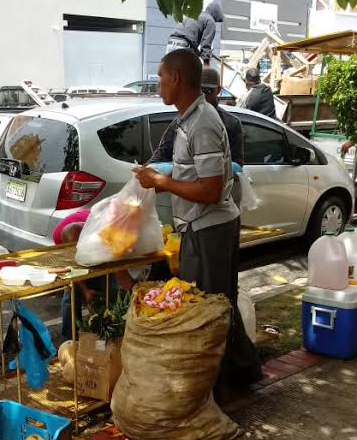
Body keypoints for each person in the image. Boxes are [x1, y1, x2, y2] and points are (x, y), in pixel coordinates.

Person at [134, 49, 261, 394]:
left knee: (205, 312)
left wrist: (161, 182)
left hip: (209, 229)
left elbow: (210, 189)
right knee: (219, 305)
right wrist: (163, 175)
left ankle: (211, 391)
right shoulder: (189, 120)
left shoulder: (202, 122)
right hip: (202, 227)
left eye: (160, 78)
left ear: (176, 78)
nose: (158, 86)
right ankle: (243, 371)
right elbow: (197, 175)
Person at [53, 210, 138, 341]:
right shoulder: (60, 236)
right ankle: (69, 342)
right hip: (75, 258)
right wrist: (85, 290)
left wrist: (136, 292)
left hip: (100, 249)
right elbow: (72, 270)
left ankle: (107, 337)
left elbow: (121, 273)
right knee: (71, 297)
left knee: (110, 292)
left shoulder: (105, 236)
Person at [166, 1, 224, 65]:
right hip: (184, 47)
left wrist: (198, 53)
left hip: (171, 43)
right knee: (189, 74)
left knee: (169, 73)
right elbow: (206, 45)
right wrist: (206, 65)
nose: (215, 21)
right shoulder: (210, 20)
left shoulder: (195, 14)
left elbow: (188, 37)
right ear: (215, 14)